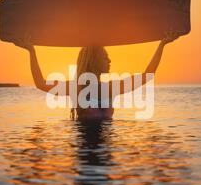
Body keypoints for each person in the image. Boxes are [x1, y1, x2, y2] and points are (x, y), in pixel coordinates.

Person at [14, 30, 181, 120]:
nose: (109, 60)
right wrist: (31, 50)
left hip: (103, 154)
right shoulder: (77, 88)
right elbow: (40, 83)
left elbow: (147, 75)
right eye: (104, 56)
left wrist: (162, 44)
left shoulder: (109, 88)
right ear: (93, 60)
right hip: (84, 150)